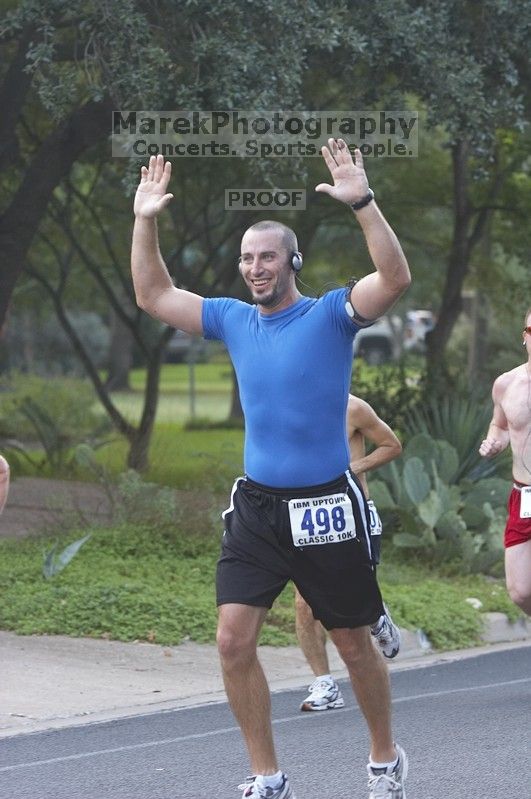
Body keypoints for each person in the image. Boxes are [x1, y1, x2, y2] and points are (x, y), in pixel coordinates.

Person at [131, 139, 411, 799]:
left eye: (266, 256)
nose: (255, 267)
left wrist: (363, 203)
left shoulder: (329, 315)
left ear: (292, 260)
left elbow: (394, 280)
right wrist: (145, 218)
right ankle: (267, 774)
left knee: (349, 643)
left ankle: (383, 756)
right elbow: (152, 293)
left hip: (324, 505)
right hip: (257, 506)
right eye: (246, 258)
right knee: (232, 640)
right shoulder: (231, 320)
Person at [296, 394, 402, 712]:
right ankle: (325, 683)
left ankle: (376, 616)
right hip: (306, 514)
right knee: (304, 601)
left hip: (352, 511)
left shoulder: (351, 406)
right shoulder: (289, 405)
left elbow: (392, 445)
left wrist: (352, 469)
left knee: (353, 596)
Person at [479, 306, 531, 616]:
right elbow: (499, 424)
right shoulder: (506, 384)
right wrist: (494, 441)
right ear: (524, 337)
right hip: (524, 495)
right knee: (520, 591)